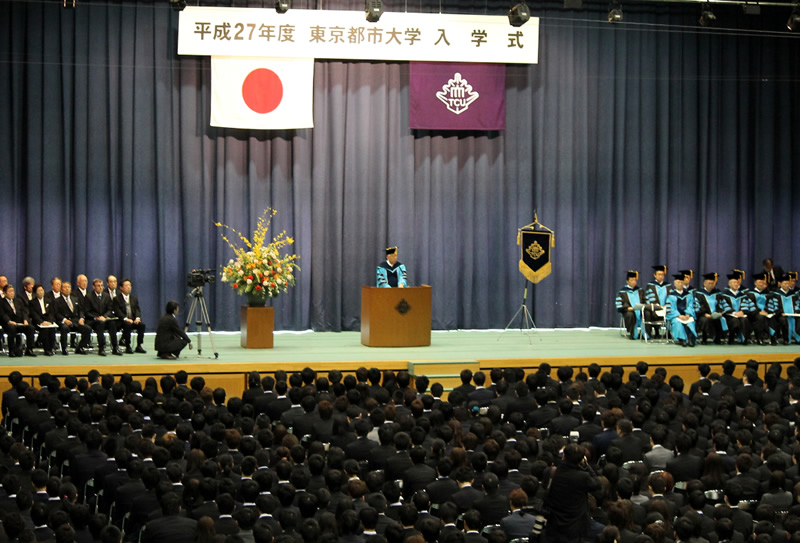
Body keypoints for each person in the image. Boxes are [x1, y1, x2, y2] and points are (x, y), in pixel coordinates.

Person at [543, 443, 600, 543]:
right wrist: (587, 466)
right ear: (581, 459)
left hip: (554, 524)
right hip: (575, 527)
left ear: (564, 456)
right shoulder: (583, 477)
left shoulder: (551, 472)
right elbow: (597, 484)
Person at [83, 278, 122, 356]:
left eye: (101, 285)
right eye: (98, 286)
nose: (100, 287)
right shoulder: (88, 296)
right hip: (93, 320)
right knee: (100, 324)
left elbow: (110, 309)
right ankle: (101, 348)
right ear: (94, 287)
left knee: (112, 323)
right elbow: (87, 312)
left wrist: (105, 316)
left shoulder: (106, 296)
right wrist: (96, 317)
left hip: (104, 319)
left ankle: (115, 347)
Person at [54, 281, 91, 355]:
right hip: (64, 322)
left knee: (88, 329)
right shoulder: (57, 301)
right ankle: (64, 348)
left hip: (75, 321)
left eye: (69, 287)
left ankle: (80, 347)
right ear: (61, 290)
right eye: (65, 287)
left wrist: (81, 318)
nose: (67, 289)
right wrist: (64, 320)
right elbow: (56, 313)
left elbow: (81, 310)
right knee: (64, 328)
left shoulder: (75, 299)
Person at [717, 271, 754, 345]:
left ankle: (744, 340)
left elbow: (747, 305)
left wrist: (743, 312)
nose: (736, 284)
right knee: (734, 321)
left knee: (745, 320)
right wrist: (734, 313)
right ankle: (731, 338)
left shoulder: (743, 295)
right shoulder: (724, 295)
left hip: (741, 314)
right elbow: (723, 306)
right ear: (729, 284)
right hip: (729, 315)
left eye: (737, 283)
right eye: (734, 282)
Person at [0, 284, 37, 357]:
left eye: (13, 291)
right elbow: (2, 314)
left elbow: (24, 311)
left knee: (31, 328)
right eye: (10, 291)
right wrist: (9, 321)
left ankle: (29, 349)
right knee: (11, 328)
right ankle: (12, 350)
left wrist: (25, 320)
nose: (12, 293)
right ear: (4, 293)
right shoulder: (1, 302)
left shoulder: (18, 300)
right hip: (8, 324)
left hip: (19, 323)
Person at [114, 279, 146, 354]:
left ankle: (139, 345)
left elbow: (138, 309)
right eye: (126, 285)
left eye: (130, 285)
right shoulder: (117, 299)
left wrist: (138, 318)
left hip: (133, 320)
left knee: (142, 325)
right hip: (122, 321)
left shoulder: (134, 298)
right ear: (121, 288)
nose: (129, 287)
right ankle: (127, 345)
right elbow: (117, 311)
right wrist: (125, 319)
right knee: (127, 325)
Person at [767, 274, 800, 344]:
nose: (787, 285)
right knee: (783, 320)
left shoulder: (793, 294)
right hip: (780, 315)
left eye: (788, 283)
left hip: (793, 315)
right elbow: (772, 306)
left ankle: (798, 339)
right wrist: (780, 312)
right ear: (780, 284)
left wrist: (797, 311)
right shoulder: (775, 294)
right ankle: (786, 339)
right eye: (785, 283)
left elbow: (797, 304)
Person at [745, 272, 778, 345]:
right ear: (755, 283)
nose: (761, 284)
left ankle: (773, 338)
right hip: (753, 314)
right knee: (760, 318)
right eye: (759, 282)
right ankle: (759, 338)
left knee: (773, 317)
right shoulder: (749, 293)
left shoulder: (768, 294)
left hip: (765, 313)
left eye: (763, 283)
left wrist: (767, 311)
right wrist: (759, 311)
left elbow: (770, 304)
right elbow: (750, 305)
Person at [666, 274, 697, 347]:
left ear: (683, 283)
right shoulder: (671, 295)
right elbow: (670, 308)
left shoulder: (688, 295)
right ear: (674, 283)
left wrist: (687, 314)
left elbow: (691, 306)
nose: (680, 284)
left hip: (686, 316)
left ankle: (690, 339)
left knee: (691, 322)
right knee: (677, 323)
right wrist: (679, 316)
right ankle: (682, 340)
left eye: (681, 282)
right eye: (678, 282)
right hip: (676, 316)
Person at [693, 272, 724, 345]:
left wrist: (720, 313)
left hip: (715, 315)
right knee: (705, 320)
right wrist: (704, 314)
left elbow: (721, 305)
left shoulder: (718, 293)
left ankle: (717, 338)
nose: (711, 285)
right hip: (703, 315)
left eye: (712, 283)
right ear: (704, 283)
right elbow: (696, 306)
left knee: (721, 320)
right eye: (709, 283)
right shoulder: (698, 294)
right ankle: (704, 338)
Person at [27, 284, 57, 356]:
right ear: (35, 292)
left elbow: (52, 312)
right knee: (45, 330)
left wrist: (49, 321)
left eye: (42, 290)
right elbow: (33, 314)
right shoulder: (32, 302)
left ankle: (51, 348)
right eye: (39, 291)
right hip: (38, 321)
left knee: (52, 329)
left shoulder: (49, 300)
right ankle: (46, 349)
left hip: (48, 321)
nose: (41, 292)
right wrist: (41, 322)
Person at [643, 265, 670, 339]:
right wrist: (657, 306)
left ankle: (669, 333)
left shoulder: (668, 286)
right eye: (659, 274)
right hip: (655, 308)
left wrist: (666, 306)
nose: (661, 276)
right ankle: (650, 333)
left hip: (665, 309)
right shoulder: (650, 285)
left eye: (662, 274)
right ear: (654, 275)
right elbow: (648, 298)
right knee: (649, 312)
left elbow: (671, 298)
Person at [615, 271, 644, 340]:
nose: (634, 282)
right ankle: (633, 333)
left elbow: (645, 301)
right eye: (631, 280)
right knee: (630, 314)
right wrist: (627, 308)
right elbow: (619, 306)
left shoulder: (640, 290)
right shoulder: (622, 292)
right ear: (627, 281)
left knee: (647, 313)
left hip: (640, 311)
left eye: (635, 280)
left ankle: (645, 334)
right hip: (628, 311)